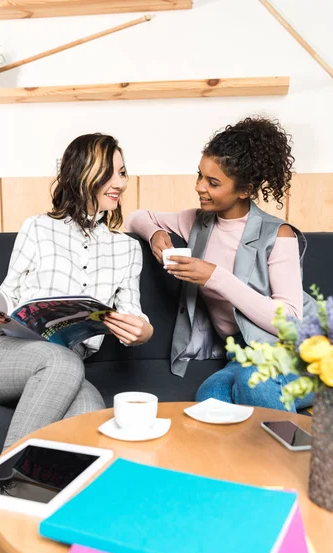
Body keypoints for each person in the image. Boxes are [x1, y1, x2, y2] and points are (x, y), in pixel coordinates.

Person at [0, 133, 153, 553]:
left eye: (124, 172)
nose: (120, 182)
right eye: (111, 171)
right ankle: (1, 521)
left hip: (65, 365)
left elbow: (135, 312)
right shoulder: (36, 228)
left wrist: (141, 330)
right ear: (81, 171)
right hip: (3, 356)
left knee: (93, 419)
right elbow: (6, 296)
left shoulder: (126, 248)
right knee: (61, 362)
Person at [125, 117, 314, 412]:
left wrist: (215, 277)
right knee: (210, 398)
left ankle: (287, 455)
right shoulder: (198, 222)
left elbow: (290, 322)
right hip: (241, 356)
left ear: (244, 190)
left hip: (301, 353)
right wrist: (155, 234)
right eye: (199, 176)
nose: (200, 187)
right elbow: (137, 216)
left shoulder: (279, 234)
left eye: (213, 183)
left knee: (256, 382)